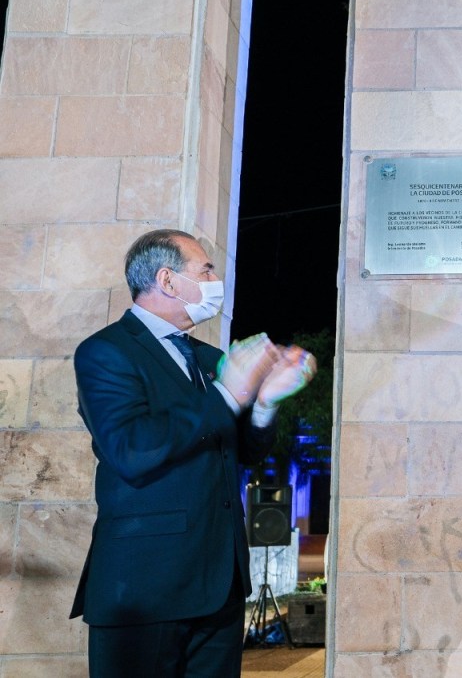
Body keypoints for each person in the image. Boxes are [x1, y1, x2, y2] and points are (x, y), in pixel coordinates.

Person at [70, 229, 317, 677]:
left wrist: (265, 402)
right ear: (167, 280)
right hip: (145, 588)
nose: (214, 280)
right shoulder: (105, 351)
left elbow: (243, 453)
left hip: (220, 588)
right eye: (205, 270)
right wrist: (228, 393)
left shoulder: (209, 357)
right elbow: (131, 449)